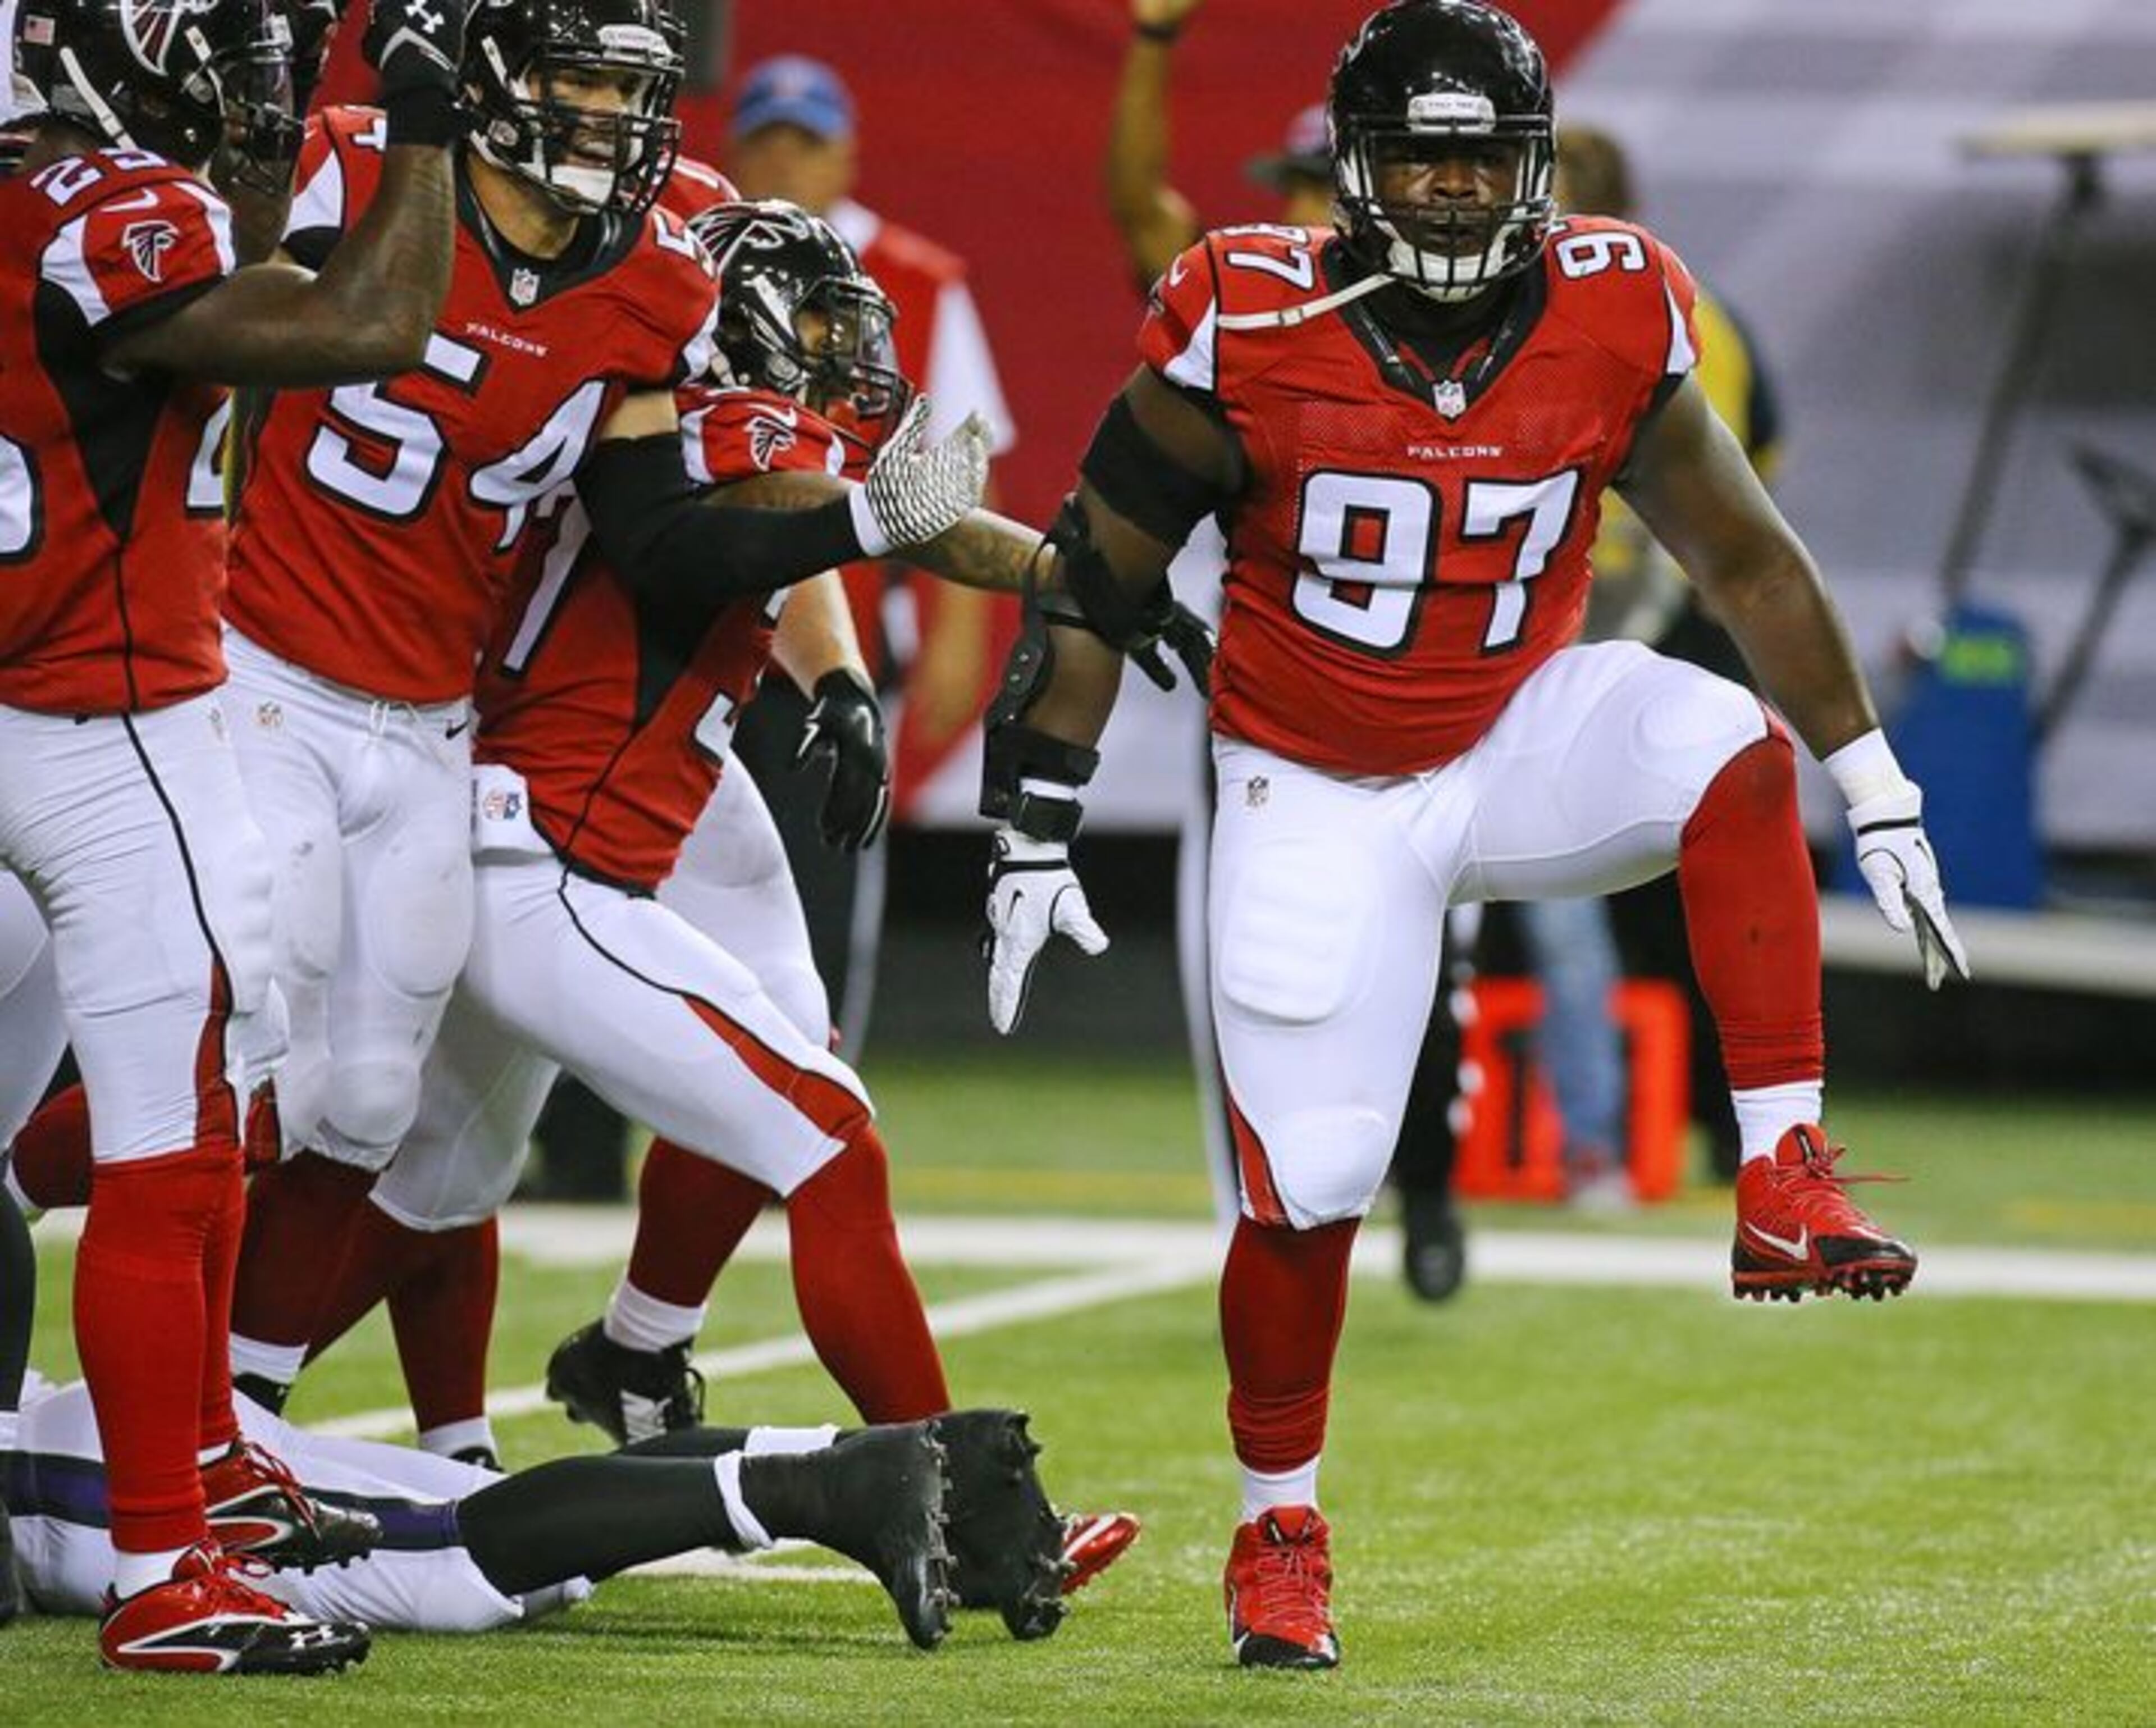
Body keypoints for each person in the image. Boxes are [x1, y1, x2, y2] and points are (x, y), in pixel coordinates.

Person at [978, 0, 1967, 1671]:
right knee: (1311, 1184)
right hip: (1317, 781)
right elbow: (1097, 568)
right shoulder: (1248, 313)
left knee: (1724, 740)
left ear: (1537, 166)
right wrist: (1033, 815)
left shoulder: (1615, 301)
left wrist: (1874, 780)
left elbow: (1750, 562)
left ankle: (1784, 1170)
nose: (1450, 191)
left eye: (1483, 157)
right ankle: (1278, 1523)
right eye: (1420, 157)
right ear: (1354, 173)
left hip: (1515, 726)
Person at [263, 197, 1131, 1636]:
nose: (848, 364)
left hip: (549, 837)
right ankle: (965, 1507)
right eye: (821, 336)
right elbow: (800, 511)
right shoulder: (692, 426)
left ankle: (225, 1403)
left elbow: (821, 526)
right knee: (827, 1138)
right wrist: (1035, 560)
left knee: (425, 1187)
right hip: (537, 860)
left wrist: (1002, 588)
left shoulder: (705, 423)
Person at [218, 0, 988, 1417]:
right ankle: (178, 1397)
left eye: (634, 89)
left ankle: (505, 1387)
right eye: (579, 81)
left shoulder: (669, 249)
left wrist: (843, 668)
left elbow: (748, 506)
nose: (611, 119)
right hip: (316, 686)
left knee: (401, 1113)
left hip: (455, 722)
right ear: (498, 75)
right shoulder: (348, 165)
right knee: (265, 1079)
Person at [1, 0, 479, 1673]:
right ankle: (158, 1568)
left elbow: (220, 325)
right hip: (98, 718)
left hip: (43, 688)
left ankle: (197, 1468)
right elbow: (376, 324)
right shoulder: (98, 214)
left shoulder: (65, 215)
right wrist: (421, 114)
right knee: (172, 1142)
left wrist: (261, 184)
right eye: (200, 48)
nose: (236, 84)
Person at [0, 1205, 1066, 1653]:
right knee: (460, 1521)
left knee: (442, 1561)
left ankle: (837, 1486)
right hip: (69, 1434)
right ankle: (869, 1464)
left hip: (45, 1468)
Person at [1103, 0, 1470, 1300]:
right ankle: (1261, 1219)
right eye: (1304, 188)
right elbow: (1138, 210)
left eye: (1332, 185)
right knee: (1253, 968)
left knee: (1432, 967)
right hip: (1275, 698)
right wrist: (1152, 42)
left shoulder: (1474, 311)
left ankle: (1430, 1186)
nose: (1312, 213)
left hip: (1445, 694)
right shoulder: (1249, 318)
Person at [721, 52, 1018, 1051]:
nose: (785, 162)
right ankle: (587, 1139)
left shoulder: (914, 279)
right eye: (767, 139)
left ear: (845, 153)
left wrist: (959, 635)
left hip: (835, 623)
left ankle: (807, 1074)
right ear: (737, 144)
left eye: (805, 142)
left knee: (820, 871)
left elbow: (962, 468)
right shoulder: (694, 248)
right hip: (686, 601)